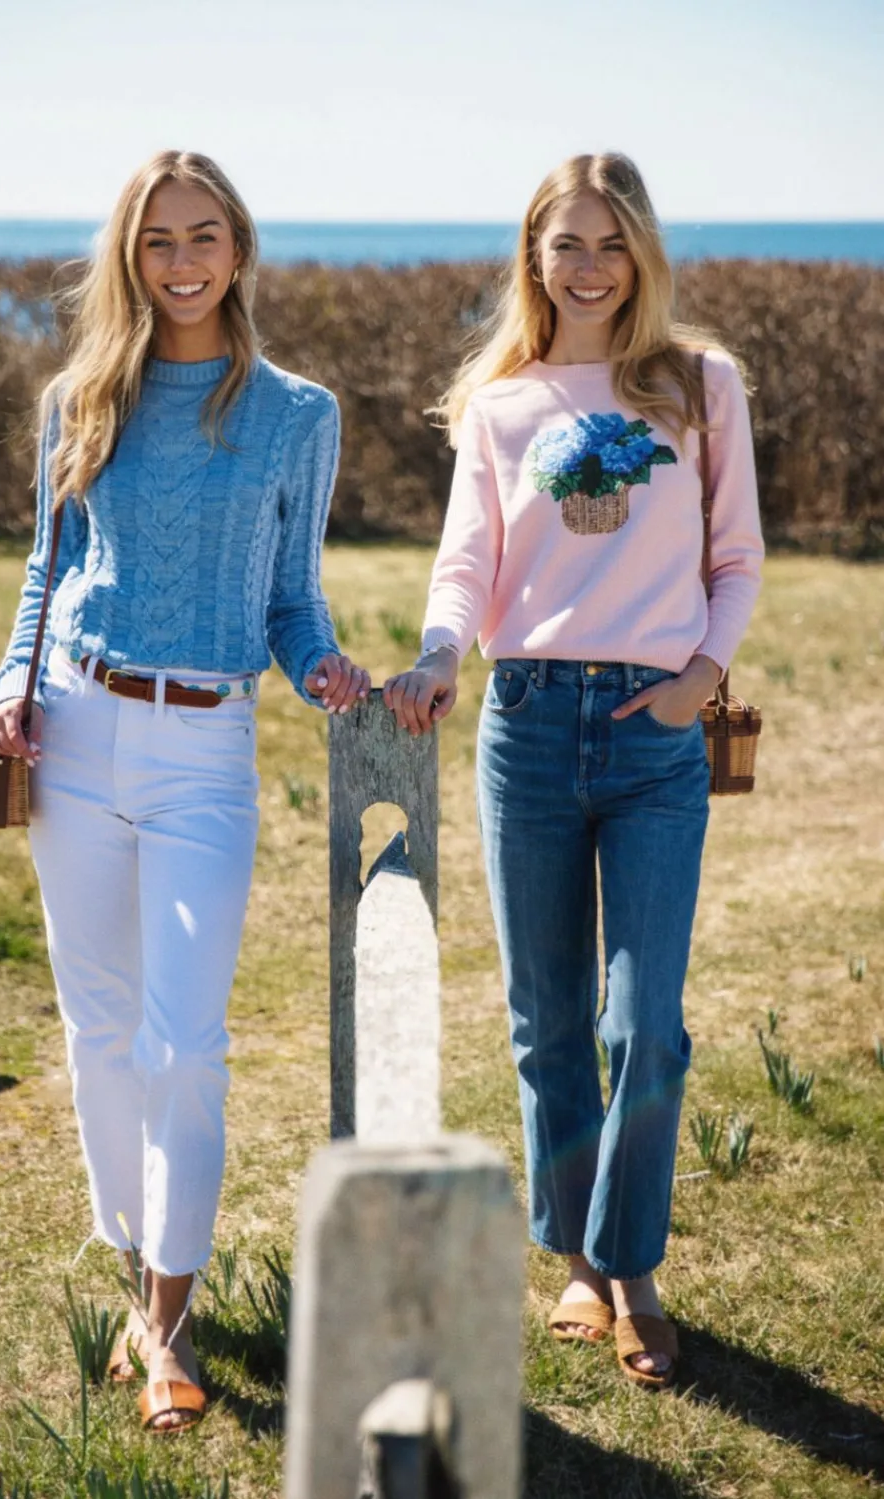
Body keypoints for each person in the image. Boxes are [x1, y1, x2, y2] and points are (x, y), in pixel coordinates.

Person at [0, 150, 368, 1432]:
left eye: (205, 235)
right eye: (159, 239)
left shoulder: (298, 414)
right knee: (99, 1031)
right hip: (76, 731)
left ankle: (172, 1315)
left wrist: (322, 666)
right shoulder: (79, 398)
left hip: (207, 749)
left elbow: (291, 598)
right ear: (130, 256)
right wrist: (13, 684)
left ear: (239, 249)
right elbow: (46, 573)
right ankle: (139, 1274)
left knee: (186, 1043)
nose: (184, 260)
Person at [384, 152, 763, 1389]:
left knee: (643, 1023)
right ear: (534, 258)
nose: (589, 266)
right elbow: (465, 560)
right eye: (567, 244)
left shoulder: (699, 385)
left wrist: (702, 675)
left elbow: (738, 555)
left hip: (656, 734)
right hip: (529, 722)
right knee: (547, 1018)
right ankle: (582, 1264)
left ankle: (633, 1263)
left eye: (610, 242)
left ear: (641, 253)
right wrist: (440, 652)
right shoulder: (502, 402)